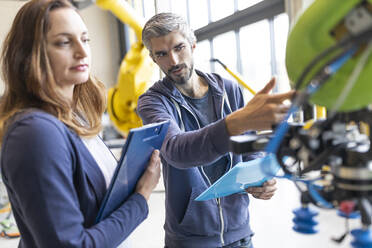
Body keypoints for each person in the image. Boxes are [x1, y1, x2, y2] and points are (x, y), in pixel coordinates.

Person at [0, 0, 161, 247]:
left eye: (85, 39)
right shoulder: (34, 132)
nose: (82, 52)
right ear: (31, 54)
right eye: (64, 42)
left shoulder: (75, 116)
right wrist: (140, 198)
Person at [138, 12, 294, 248]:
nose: (173, 60)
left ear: (192, 45)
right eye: (162, 54)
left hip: (240, 234)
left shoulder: (229, 89)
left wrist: (262, 177)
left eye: (179, 48)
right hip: (190, 240)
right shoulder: (153, 103)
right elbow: (177, 151)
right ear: (153, 58)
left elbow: (249, 145)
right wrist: (236, 123)